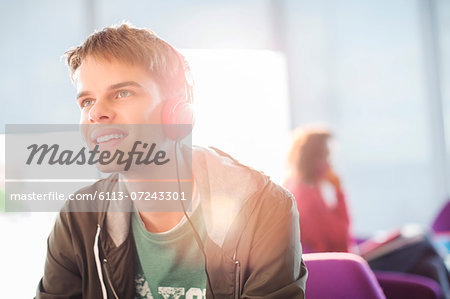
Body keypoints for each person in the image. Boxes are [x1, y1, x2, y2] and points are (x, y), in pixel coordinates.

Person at [35, 23, 307, 299]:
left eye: (122, 93)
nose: (97, 114)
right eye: (87, 102)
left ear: (176, 113)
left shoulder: (263, 207)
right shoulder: (79, 219)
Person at [284, 126, 353, 253]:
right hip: (331, 267)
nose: (330, 164)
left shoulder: (300, 189)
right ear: (313, 161)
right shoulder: (307, 197)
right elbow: (341, 239)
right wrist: (339, 191)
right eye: (327, 158)